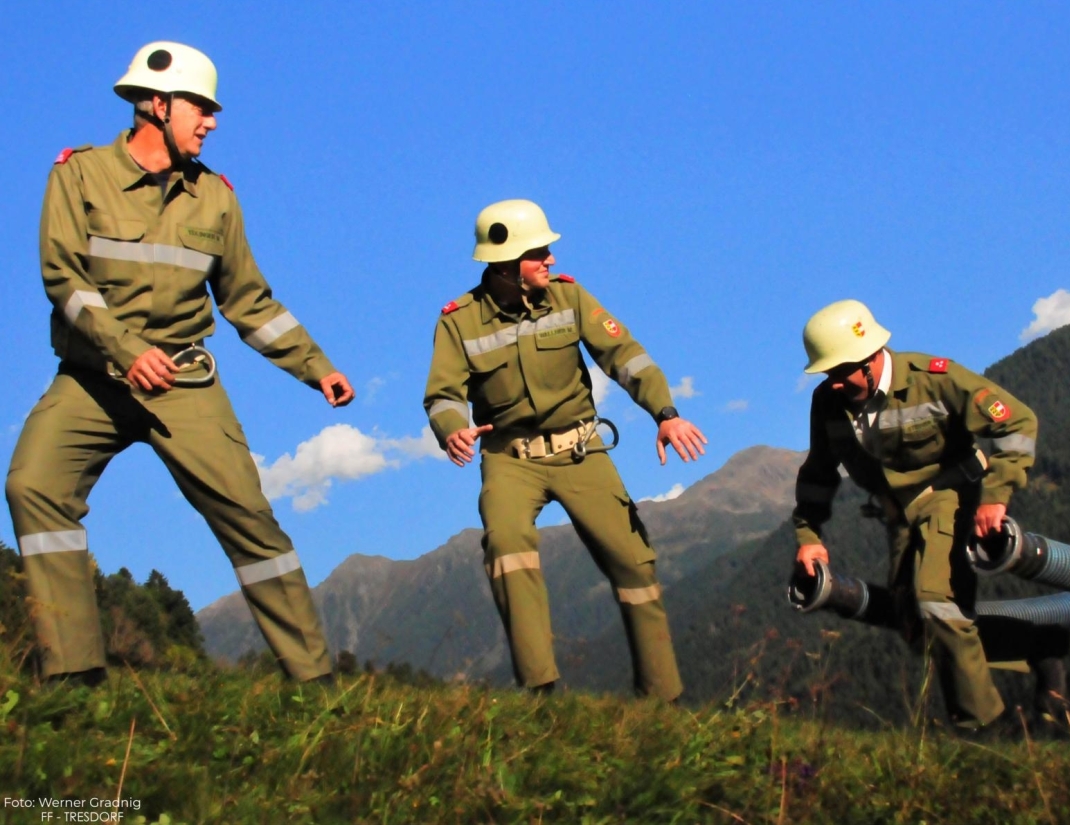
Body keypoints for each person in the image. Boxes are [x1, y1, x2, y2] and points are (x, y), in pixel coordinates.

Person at [5, 41, 353, 684]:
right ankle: (75, 677)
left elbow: (249, 301)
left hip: (186, 382)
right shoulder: (77, 175)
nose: (212, 122)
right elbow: (65, 280)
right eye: (202, 107)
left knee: (249, 516)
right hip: (93, 380)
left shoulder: (216, 199)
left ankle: (315, 682)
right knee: (34, 486)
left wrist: (316, 366)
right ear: (156, 106)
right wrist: (126, 351)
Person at [423, 199, 706, 699]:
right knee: (507, 547)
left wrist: (666, 414)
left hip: (581, 450)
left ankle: (664, 701)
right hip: (509, 462)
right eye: (539, 253)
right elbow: (443, 394)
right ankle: (541, 696)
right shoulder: (457, 322)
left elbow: (625, 357)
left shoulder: (570, 298)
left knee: (635, 562)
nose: (550, 260)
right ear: (507, 265)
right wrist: (452, 429)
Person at [792, 299, 1038, 728]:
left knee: (937, 603)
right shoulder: (829, 401)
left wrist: (996, 497)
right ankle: (1031, 652)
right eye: (826, 373)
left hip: (951, 494)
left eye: (840, 371)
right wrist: (808, 536)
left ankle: (982, 731)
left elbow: (1016, 422)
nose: (833, 383)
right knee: (916, 629)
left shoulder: (935, 378)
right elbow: (818, 472)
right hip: (899, 513)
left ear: (871, 357)